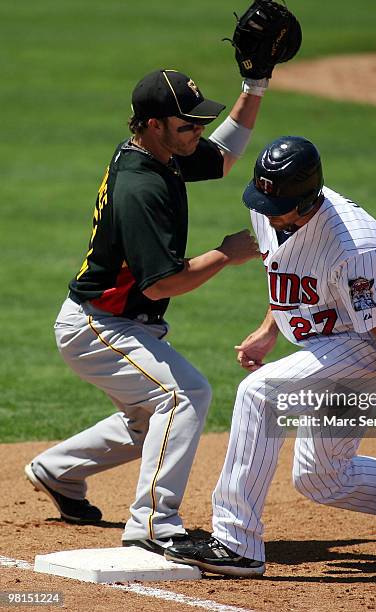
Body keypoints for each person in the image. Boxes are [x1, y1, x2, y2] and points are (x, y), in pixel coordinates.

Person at [165, 136, 376, 576]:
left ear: (306, 202)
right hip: (333, 346)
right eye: (260, 197)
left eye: (276, 203)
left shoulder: (355, 249)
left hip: (372, 352)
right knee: (322, 478)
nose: (264, 209)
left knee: (258, 394)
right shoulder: (270, 205)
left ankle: (236, 543)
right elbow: (288, 270)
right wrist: (269, 330)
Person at [23, 62, 284, 554]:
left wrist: (254, 87)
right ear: (152, 125)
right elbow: (164, 284)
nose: (198, 133)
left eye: (198, 122)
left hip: (114, 322)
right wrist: (228, 252)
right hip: (98, 327)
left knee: (149, 421)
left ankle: (57, 471)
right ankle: (152, 525)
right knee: (184, 395)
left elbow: (225, 155)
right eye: (187, 125)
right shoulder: (140, 186)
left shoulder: (163, 153)